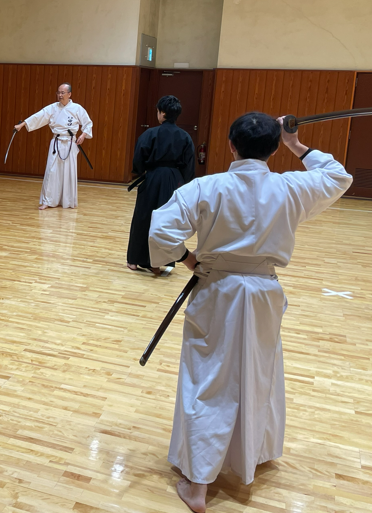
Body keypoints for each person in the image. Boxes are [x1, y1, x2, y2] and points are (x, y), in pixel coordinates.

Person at [149, 112, 352, 512]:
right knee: (256, 372)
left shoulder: (206, 187)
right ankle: (245, 457)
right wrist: (296, 144)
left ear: (230, 145)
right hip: (262, 293)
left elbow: (160, 230)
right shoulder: (290, 187)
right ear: (274, 148)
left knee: (209, 379)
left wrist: (189, 260)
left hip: (217, 290)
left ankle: (198, 484)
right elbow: (337, 175)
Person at [127, 95, 194, 275]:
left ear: (162, 113)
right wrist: (182, 181)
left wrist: (143, 172)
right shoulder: (185, 136)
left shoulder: (150, 134)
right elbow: (189, 166)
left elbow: (138, 160)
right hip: (174, 179)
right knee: (168, 220)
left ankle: (135, 260)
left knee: (143, 217)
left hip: (153, 177)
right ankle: (163, 260)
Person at [14, 83, 93, 210]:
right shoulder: (52, 108)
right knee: (51, 171)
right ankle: (47, 200)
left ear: (69, 94)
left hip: (70, 143)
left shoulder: (77, 108)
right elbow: (38, 116)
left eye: (62, 93)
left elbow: (88, 123)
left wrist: (83, 135)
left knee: (69, 172)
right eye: (58, 93)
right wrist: (22, 125)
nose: (60, 95)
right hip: (56, 142)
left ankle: (68, 201)